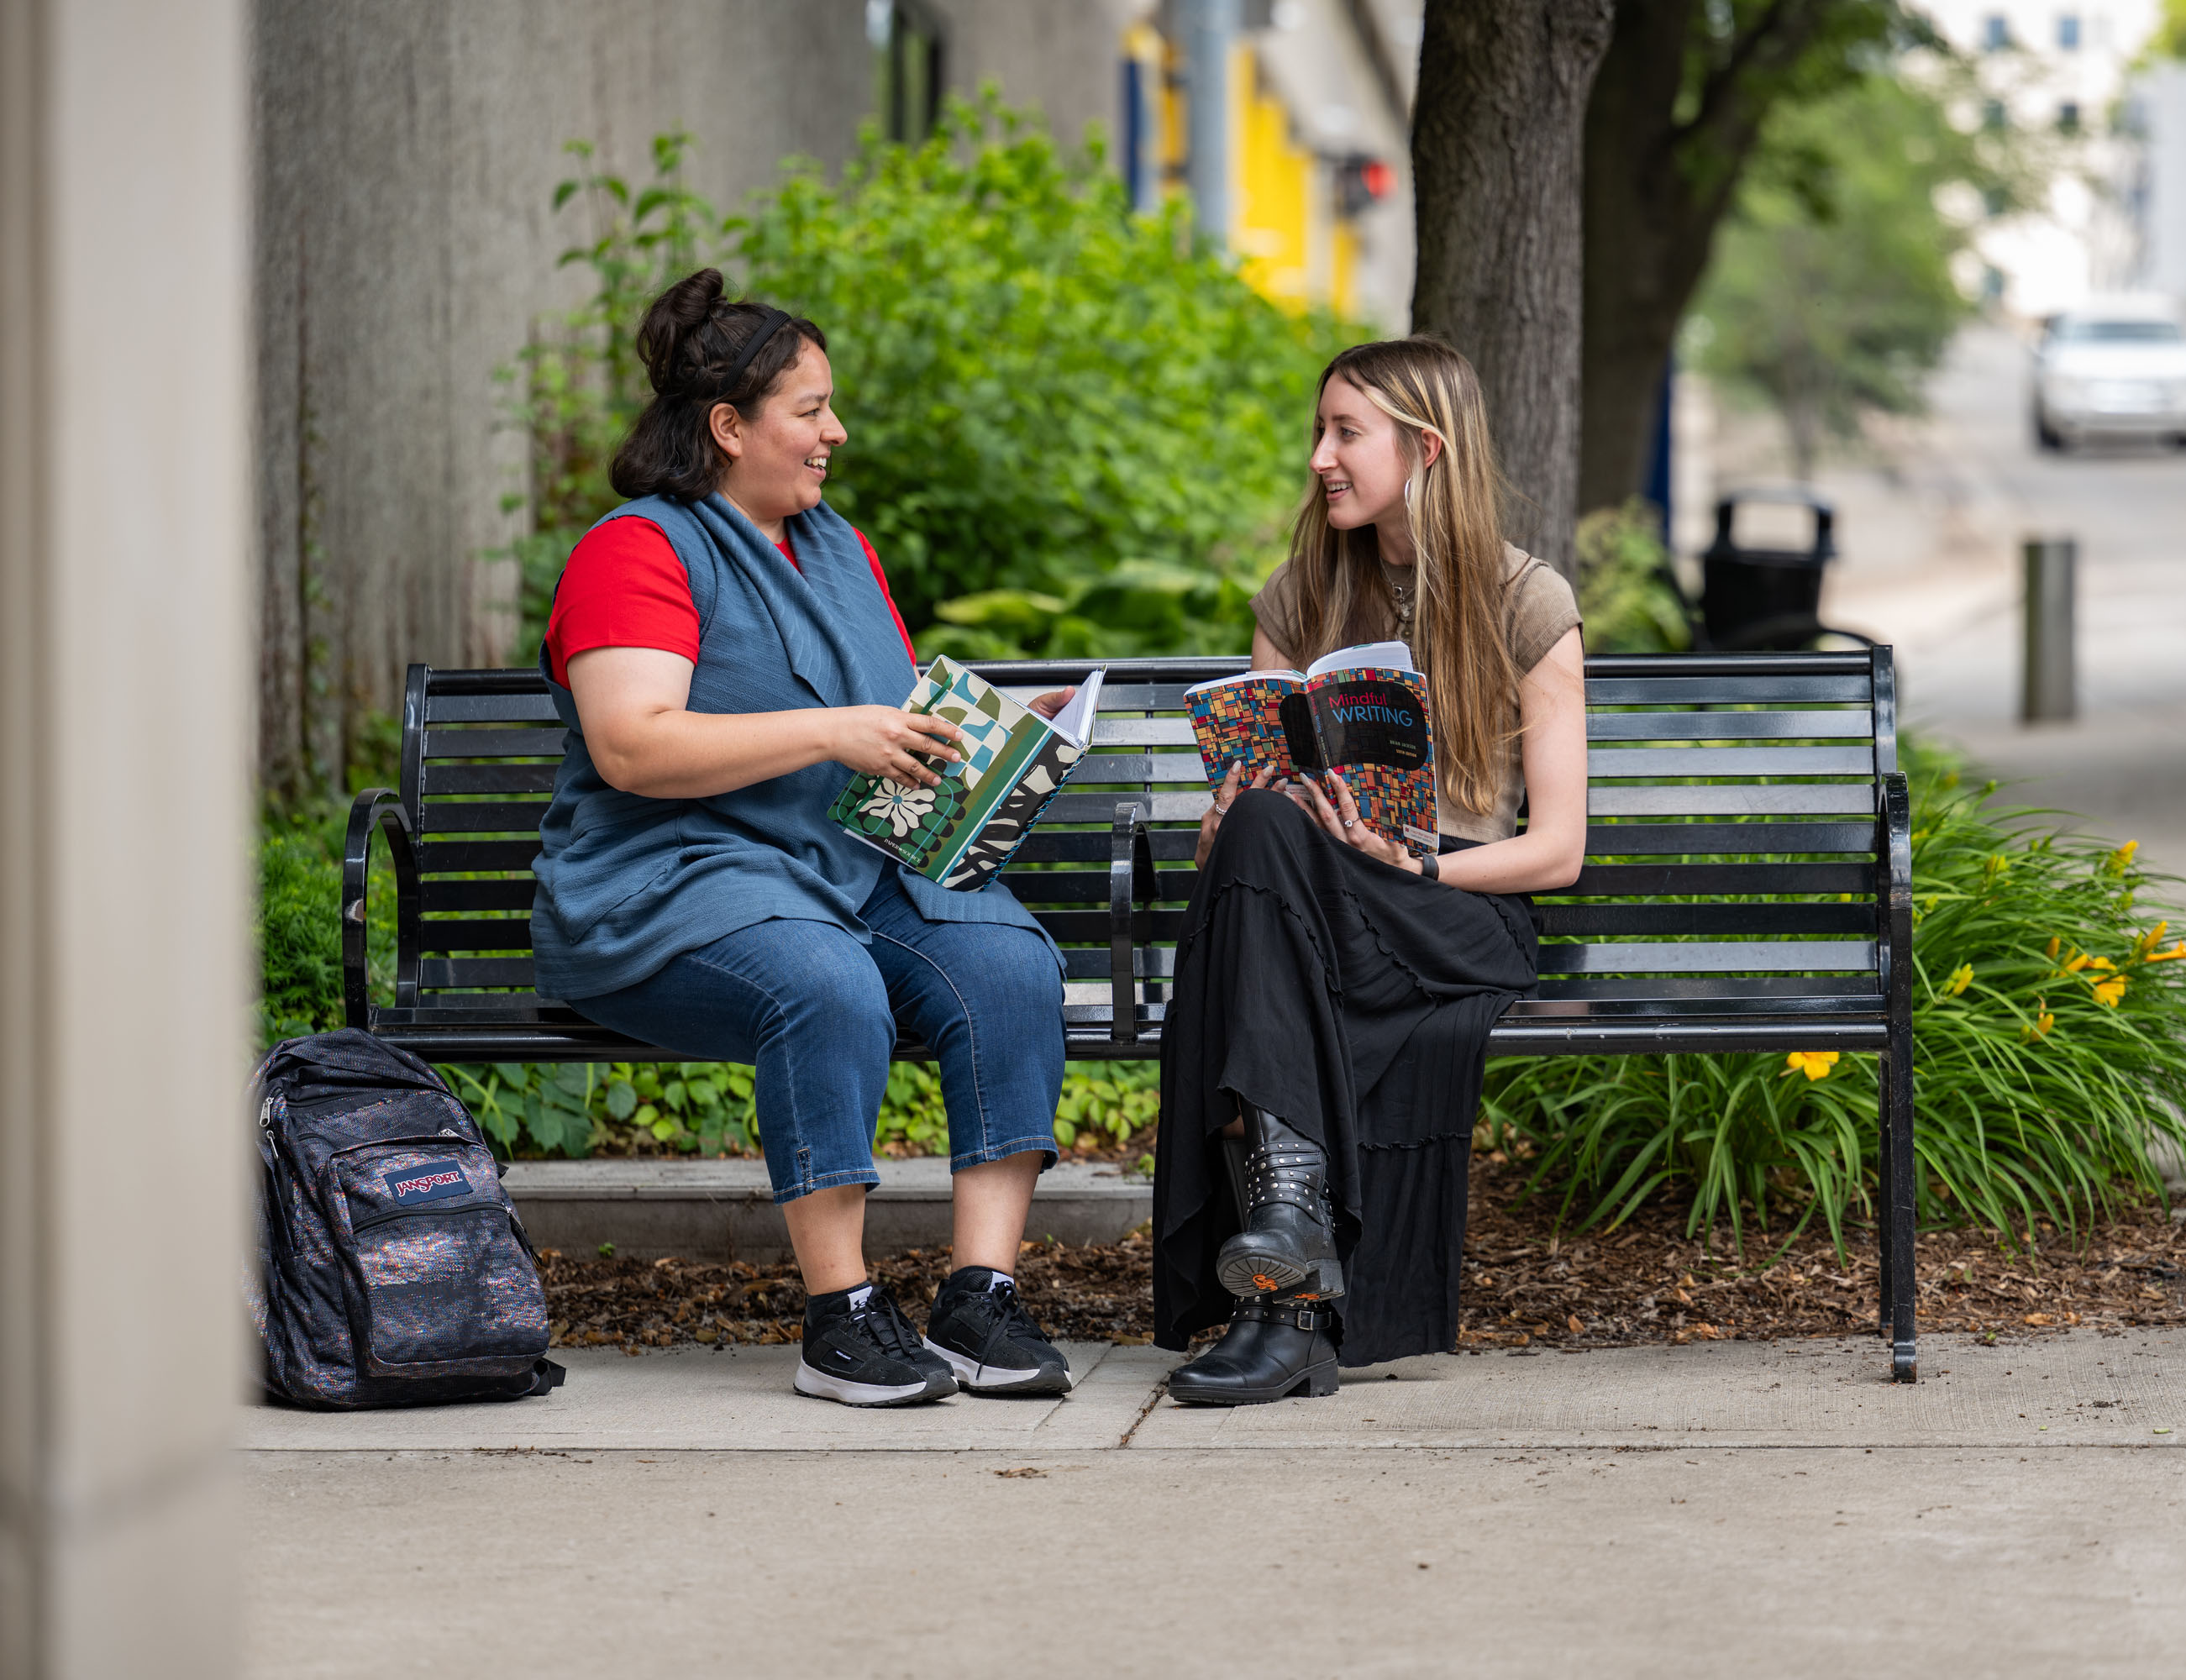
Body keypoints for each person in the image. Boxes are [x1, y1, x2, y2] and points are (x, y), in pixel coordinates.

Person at [532, 268, 1074, 1407]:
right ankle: (844, 1320)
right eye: (810, 410)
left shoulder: (839, 547)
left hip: (845, 873)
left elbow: (884, 726)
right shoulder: (636, 550)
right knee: (827, 987)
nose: (836, 432)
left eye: (831, 408)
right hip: (672, 885)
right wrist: (834, 731)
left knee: (1011, 966)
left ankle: (980, 1299)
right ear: (728, 428)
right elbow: (632, 745)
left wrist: (977, 766)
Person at [1153, 338, 1588, 1404]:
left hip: (1452, 913)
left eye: (1346, 432)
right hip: (1314, 917)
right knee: (1259, 824)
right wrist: (1228, 818)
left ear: (1425, 448)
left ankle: (1282, 1289)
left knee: (1268, 869)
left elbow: (1559, 851)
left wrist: (1421, 863)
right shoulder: (1297, 597)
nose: (1319, 458)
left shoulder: (1527, 601)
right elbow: (1257, 821)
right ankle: (1289, 1268)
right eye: (1320, 430)